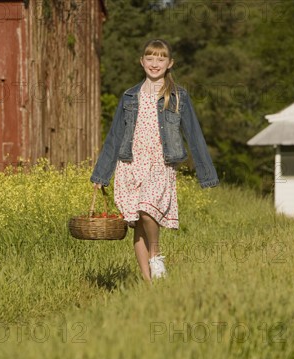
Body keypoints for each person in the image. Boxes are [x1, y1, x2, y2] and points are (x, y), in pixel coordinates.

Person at [90, 38, 218, 282]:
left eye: (160, 58)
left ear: (170, 63)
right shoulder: (129, 96)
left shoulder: (178, 96)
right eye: (150, 58)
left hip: (160, 164)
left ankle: (156, 255)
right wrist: (101, 175)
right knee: (137, 224)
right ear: (142, 62)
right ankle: (150, 286)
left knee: (148, 210)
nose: (155, 63)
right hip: (130, 164)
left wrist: (206, 174)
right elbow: (115, 135)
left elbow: (194, 133)